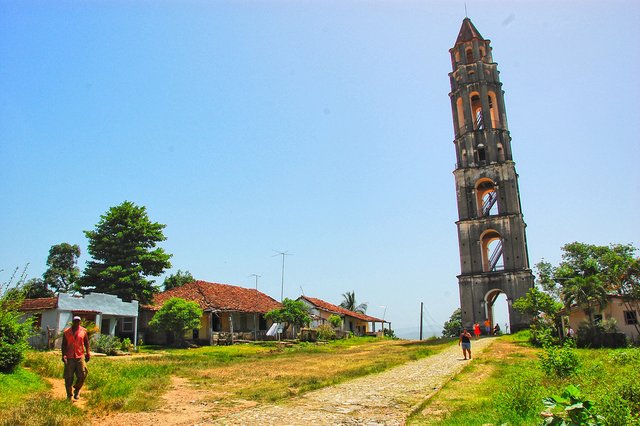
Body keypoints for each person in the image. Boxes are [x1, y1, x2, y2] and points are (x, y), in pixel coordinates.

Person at [61, 316, 90, 401]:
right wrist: (63, 355)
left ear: (80, 322)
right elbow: (63, 345)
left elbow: (86, 343)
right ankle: (69, 395)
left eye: (78, 321)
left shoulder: (83, 331)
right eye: (75, 321)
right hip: (69, 357)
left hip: (80, 356)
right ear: (72, 321)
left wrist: (88, 352)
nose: (77, 322)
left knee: (82, 374)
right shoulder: (66, 332)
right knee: (68, 377)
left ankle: (77, 390)